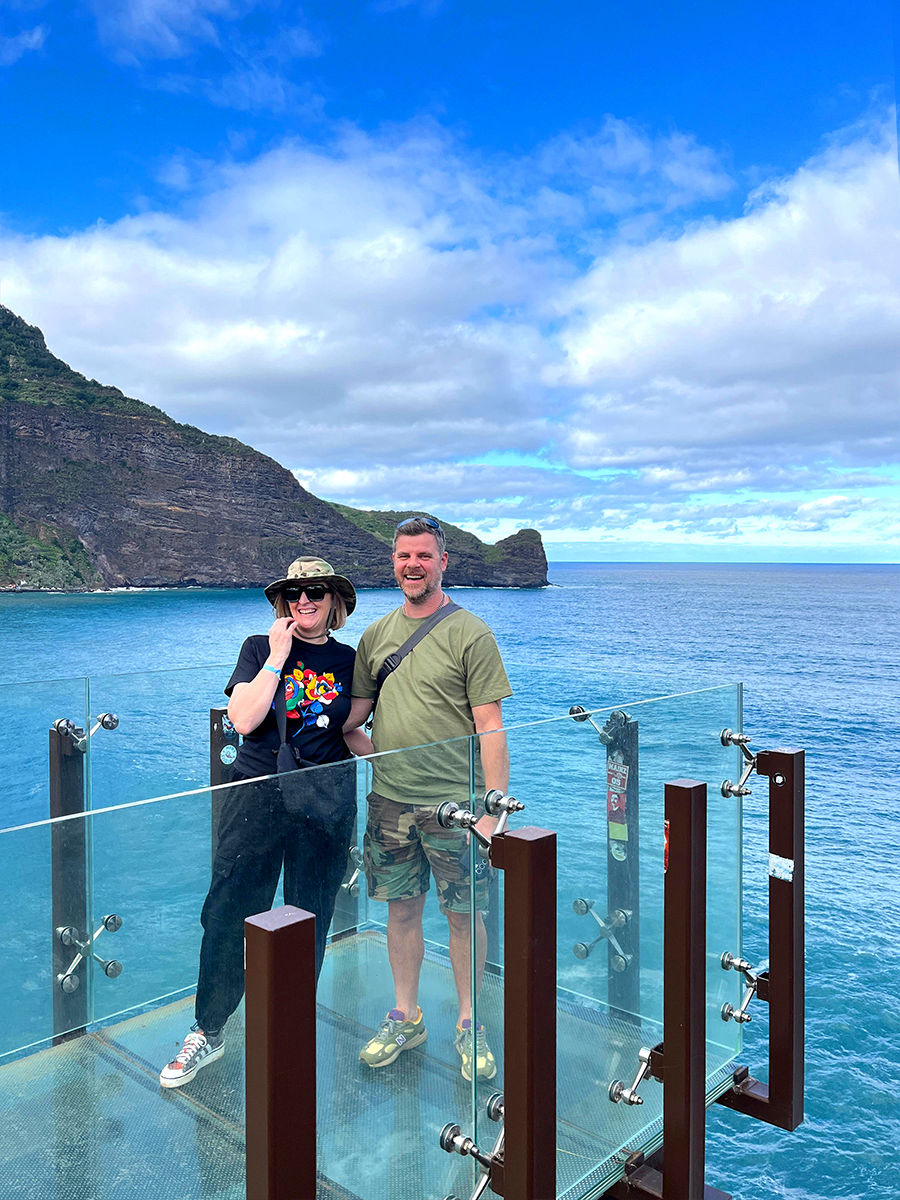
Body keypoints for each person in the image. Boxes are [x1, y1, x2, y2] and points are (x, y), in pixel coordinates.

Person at [159, 556, 372, 1089]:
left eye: (316, 591)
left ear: (334, 601)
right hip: (256, 795)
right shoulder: (259, 648)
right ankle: (209, 1029)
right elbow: (243, 718)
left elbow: (348, 730)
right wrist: (278, 656)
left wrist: (413, 765)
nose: (305, 600)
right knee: (230, 908)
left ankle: (287, 1024)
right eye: (295, 592)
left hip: (323, 798)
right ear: (284, 601)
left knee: (311, 916)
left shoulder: (349, 660)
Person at [346, 516, 511, 1082]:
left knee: (465, 916)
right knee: (401, 910)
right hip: (390, 804)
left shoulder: (471, 633)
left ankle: (469, 1024)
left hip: (454, 809)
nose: (412, 565)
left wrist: (494, 809)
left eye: (423, 555)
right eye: (402, 556)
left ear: (443, 562)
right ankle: (406, 1015)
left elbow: (490, 724)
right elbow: (353, 719)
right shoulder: (375, 636)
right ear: (393, 563)